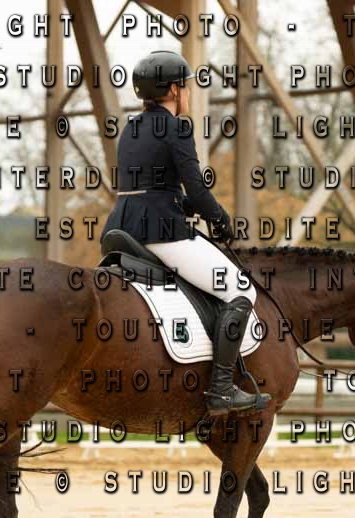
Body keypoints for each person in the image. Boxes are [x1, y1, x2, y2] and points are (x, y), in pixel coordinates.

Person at [101, 50, 269, 417]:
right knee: (241, 289)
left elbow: (151, 187)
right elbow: (197, 189)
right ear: (175, 90)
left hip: (122, 227)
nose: (189, 93)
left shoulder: (130, 128)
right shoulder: (177, 128)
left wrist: (187, 206)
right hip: (162, 232)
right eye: (187, 87)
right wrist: (220, 219)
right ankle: (221, 389)